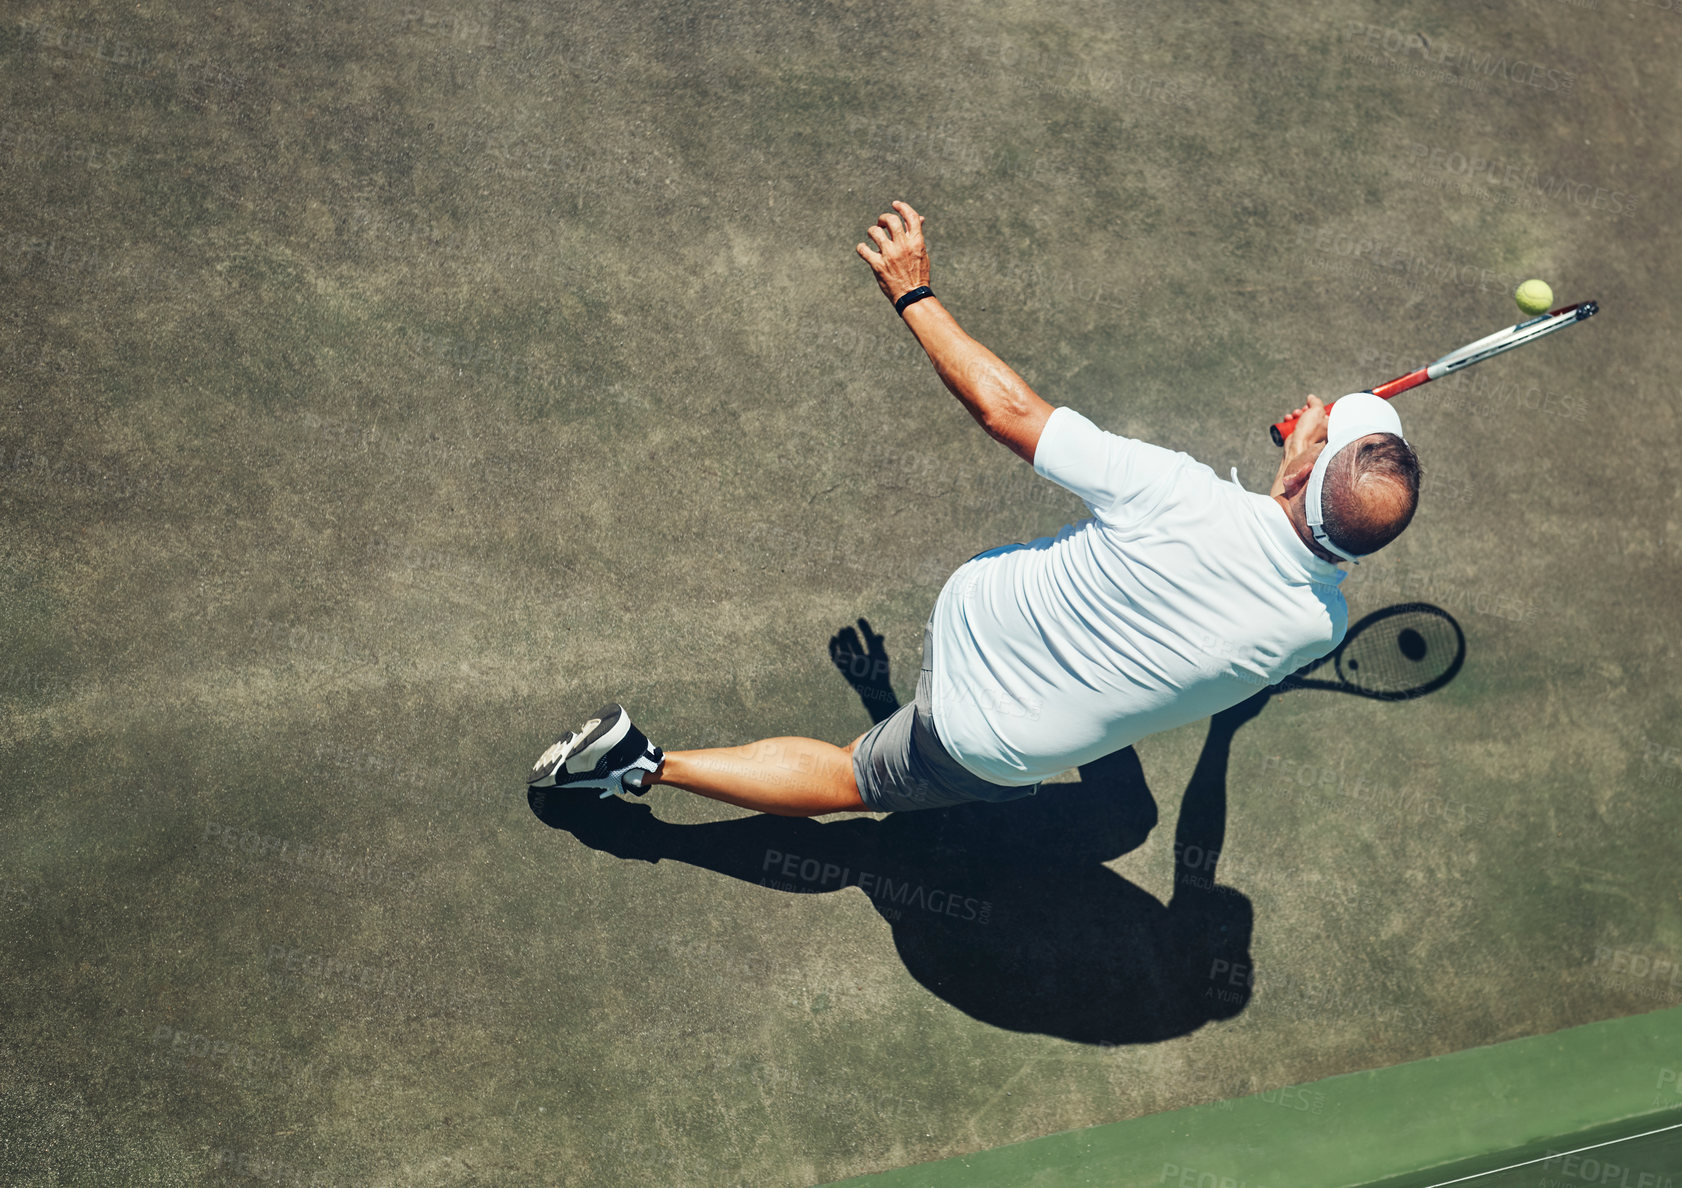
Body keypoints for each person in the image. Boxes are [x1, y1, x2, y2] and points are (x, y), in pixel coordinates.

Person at [528, 201, 1422, 817]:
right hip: (986, 744)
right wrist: (1303, 470)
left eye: (1319, 439)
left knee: (850, 781)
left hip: (977, 619)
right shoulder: (1319, 627)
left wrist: (913, 292)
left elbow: (1010, 412)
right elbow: (1285, 548)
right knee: (896, 778)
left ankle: (642, 763)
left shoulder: (1175, 491)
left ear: (1305, 466)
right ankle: (641, 765)